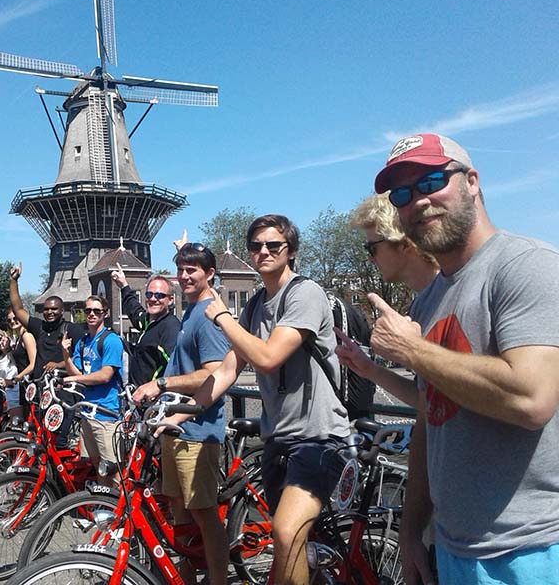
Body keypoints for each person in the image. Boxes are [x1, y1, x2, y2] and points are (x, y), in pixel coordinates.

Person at [370, 133, 559, 585]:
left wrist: (412, 350)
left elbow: (532, 399)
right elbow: (428, 424)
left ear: (472, 181)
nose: (419, 200)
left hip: (530, 549)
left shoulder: (524, 265)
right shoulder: (428, 300)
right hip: (455, 549)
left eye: (433, 180)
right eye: (403, 193)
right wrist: (411, 529)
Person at [166, 217, 350, 585]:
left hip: (318, 438)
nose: (263, 252)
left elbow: (267, 357)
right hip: (277, 440)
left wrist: (222, 316)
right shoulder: (254, 307)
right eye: (255, 246)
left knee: (286, 533)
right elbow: (227, 372)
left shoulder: (304, 294)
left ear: (291, 251)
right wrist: (181, 414)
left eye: (273, 246)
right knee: (284, 544)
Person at [133, 241, 230, 585]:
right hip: (175, 427)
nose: (185, 275)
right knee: (180, 513)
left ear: (210, 275)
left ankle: (218, 579)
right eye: (181, 269)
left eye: (193, 270)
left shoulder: (208, 317)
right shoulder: (190, 312)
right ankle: (187, 577)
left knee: (204, 515)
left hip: (198, 432)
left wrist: (161, 384)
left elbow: (214, 373)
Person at [335, 192, 442, 409]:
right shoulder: (421, 305)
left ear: (403, 244)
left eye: (372, 248)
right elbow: (429, 402)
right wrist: (369, 370)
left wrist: (412, 349)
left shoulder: (455, 294)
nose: (370, 258)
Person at [9, 262, 84, 447]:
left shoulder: (72, 329)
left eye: (54, 309)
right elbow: (18, 309)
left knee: (57, 438)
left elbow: (83, 358)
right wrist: (13, 281)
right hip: (40, 386)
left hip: (61, 388)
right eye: (47, 309)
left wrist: (59, 365)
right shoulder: (39, 327)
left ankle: (61, 462)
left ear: (62, 311)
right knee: (37, 432)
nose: (50, 312)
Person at [60, 295, 123, 487]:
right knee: (97, 465)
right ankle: (104, 506)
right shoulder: (84, 341)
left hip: (106, 413)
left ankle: (121, 510)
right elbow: (76, 371)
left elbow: (105, 375)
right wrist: (65, 354)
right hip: (88, 411)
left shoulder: (111, 340)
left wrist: (74, 378)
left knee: (112, 467)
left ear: (105, 313)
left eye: (97, 311)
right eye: (88, 311)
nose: (92, 315)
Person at [111, 262, 181, 386]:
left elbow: (175, 367)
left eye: (159, 295)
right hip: (139, 399)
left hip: (155, 400)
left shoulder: (170, 327)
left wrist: (157, 389)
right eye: (149, 294)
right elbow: (134, 310)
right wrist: (123, 285)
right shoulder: (148, 321)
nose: (153, 299)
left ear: (170, 300)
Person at [6, 310, 37, 423]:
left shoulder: (27, 336)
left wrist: (17, 378)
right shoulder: (19, 338)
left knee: (32, 419)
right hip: (24, 384)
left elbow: (33, 364)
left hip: (31, 383)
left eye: (15, 318)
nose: (12, 321)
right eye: (9, 320)